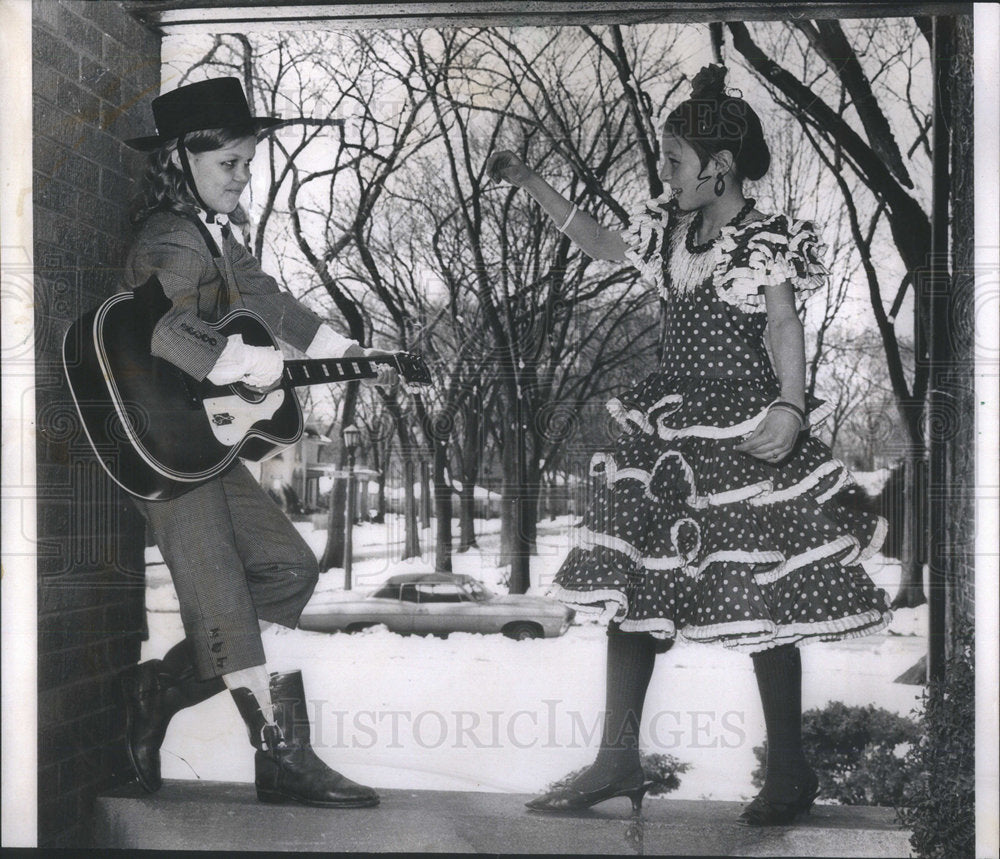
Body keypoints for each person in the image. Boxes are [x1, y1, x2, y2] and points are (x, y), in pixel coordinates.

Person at [486, 64, 891, 825]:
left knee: (768, 591)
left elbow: (781, 325)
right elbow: (602, 241)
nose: (664, 174)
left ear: (719, 168)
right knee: (636, 587)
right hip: (669, 439)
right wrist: (532, 181)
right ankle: (615, 758)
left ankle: (791, 770)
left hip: (743, 434)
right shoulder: (671, 231)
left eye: (673, 161)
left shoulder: (765, 241)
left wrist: (792, 407)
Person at [119, 77, 393, 808]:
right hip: (167, 453)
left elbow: (266, 298)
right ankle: (282, 757)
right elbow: (164, 330)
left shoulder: (217, 234)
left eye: (247, 163)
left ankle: (162, 687)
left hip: (204, 447)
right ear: (180, 162)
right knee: (225, 605)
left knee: (287, 569)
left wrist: (346, 348)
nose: (243, 178)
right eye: (228, 165)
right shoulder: (170, 238)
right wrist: (242, 361)